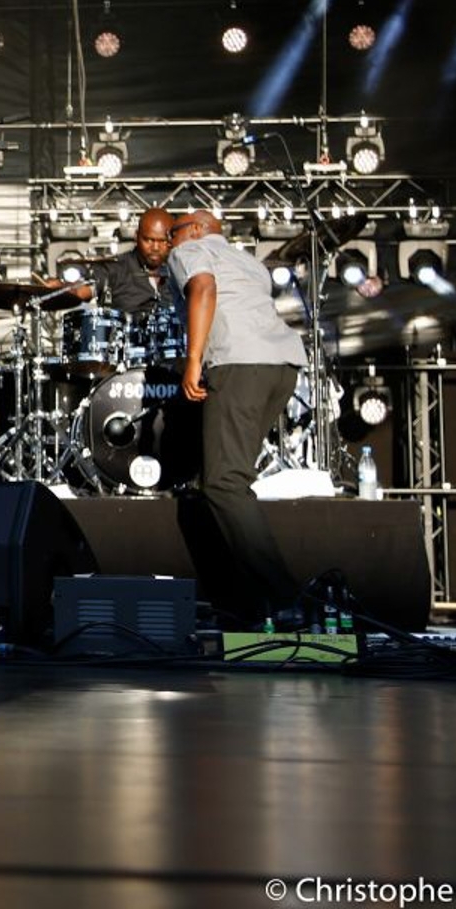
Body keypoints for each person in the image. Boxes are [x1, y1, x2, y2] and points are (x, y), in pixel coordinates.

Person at [166, 210, 307, 623]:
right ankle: (244, 605)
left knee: (224, 483)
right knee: (229, 480)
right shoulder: (249, 261)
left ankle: (286, 598)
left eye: (173, 232)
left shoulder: (190, 250)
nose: (170, 242)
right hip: (282, 366)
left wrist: (193, 359)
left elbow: (203, 287)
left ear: (195, 229)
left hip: (239, 364)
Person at [80, 207, 176, 313]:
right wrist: (68, 288)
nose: (155, 248)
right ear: (136, 236)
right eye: (149, 240)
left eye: (163, 241)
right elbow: (82, 292)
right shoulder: (114, 267)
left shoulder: (177, 271)